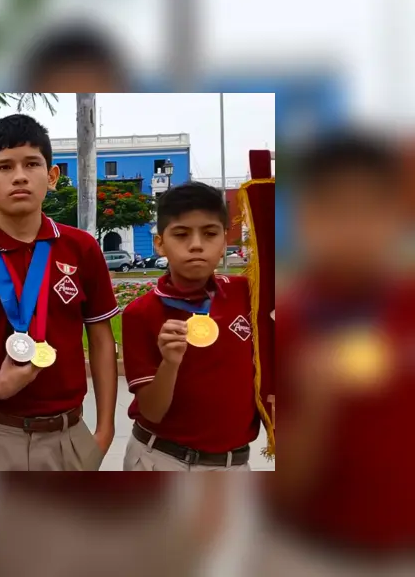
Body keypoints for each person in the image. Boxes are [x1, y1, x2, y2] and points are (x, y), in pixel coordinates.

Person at [254, 132, 415, 574]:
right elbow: (280, 488)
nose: (354, 230)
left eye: (371, 210)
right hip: (313, 552)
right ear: (305, 219)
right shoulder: (284, 327)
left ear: (397, 216)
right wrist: (316, 405)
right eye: (335, 211)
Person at [0, 114, 119, 471]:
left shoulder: (81, 248)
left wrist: (105, 429)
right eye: (4, 166)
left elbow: (101, 339)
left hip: (67, 437)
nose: (19, 176)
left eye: (32, 164)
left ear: (52, 176)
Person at [121, 182, 257, 471]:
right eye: (181, 234)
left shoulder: (248, 294)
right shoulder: (140, 314)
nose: (196, 244)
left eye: (210, 233)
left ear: (224, 241)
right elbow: (152, 411)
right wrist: (169, 363)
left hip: (233, 464)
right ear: (160, 243)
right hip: (161, 459)